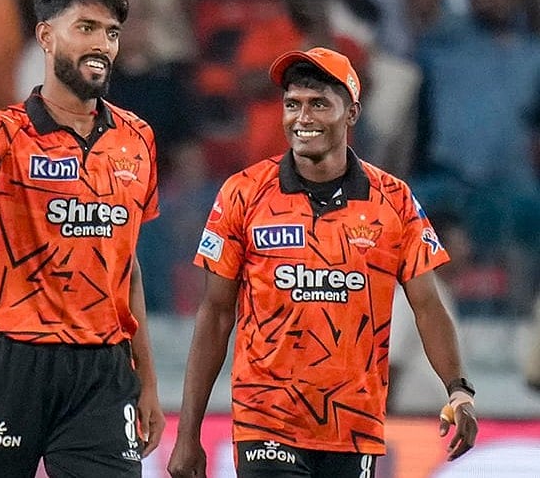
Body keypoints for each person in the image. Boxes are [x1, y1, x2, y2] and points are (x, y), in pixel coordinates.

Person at [167, 47, 478, 478]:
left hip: (355, 428)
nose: (302, 117)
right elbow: (216, 314)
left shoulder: (394, 200)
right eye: (292, 104)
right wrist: (188, 433)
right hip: (265, 422)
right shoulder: (242, 193)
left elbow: (428, 306)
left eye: (319, 104)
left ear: (351, 113)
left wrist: (458, 390)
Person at [0, 0, 165, 478]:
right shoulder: (4, 133)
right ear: (46, 37)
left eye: (112, 32)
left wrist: (149, 383)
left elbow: (129, 266)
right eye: (87, 28)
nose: (102, 44)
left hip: (103, 370)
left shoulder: (137, 139)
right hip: (11, 360)